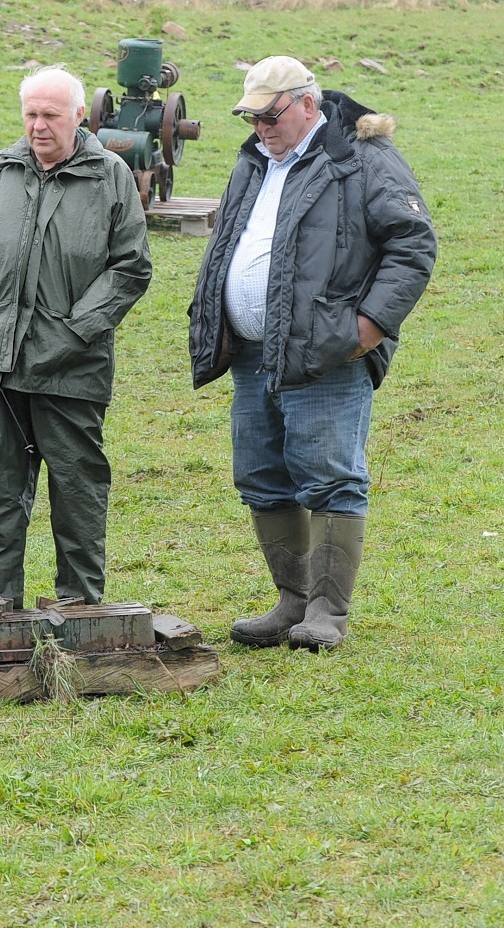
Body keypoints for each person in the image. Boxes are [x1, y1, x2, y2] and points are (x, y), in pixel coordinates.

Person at [188, 56, 436, 651]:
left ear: (307, 103)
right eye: (251, 118)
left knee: (330, 479)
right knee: (262, 477)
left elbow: (413, 243)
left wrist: (368, 327)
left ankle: (327, 613)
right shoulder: (255, 160)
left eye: (271, 116)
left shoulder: (362, 160)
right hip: (252, 351)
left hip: (327, 353)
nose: (261, 128)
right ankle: (292, 602)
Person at [0, 66, 152, 607]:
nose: (38, 126)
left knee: (77, 486)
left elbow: (130, 269)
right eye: (31, 114)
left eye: (51, 116)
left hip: (71, 366)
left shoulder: (110, 176)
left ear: (80, 116)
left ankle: (80, 603)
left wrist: (74, 332)